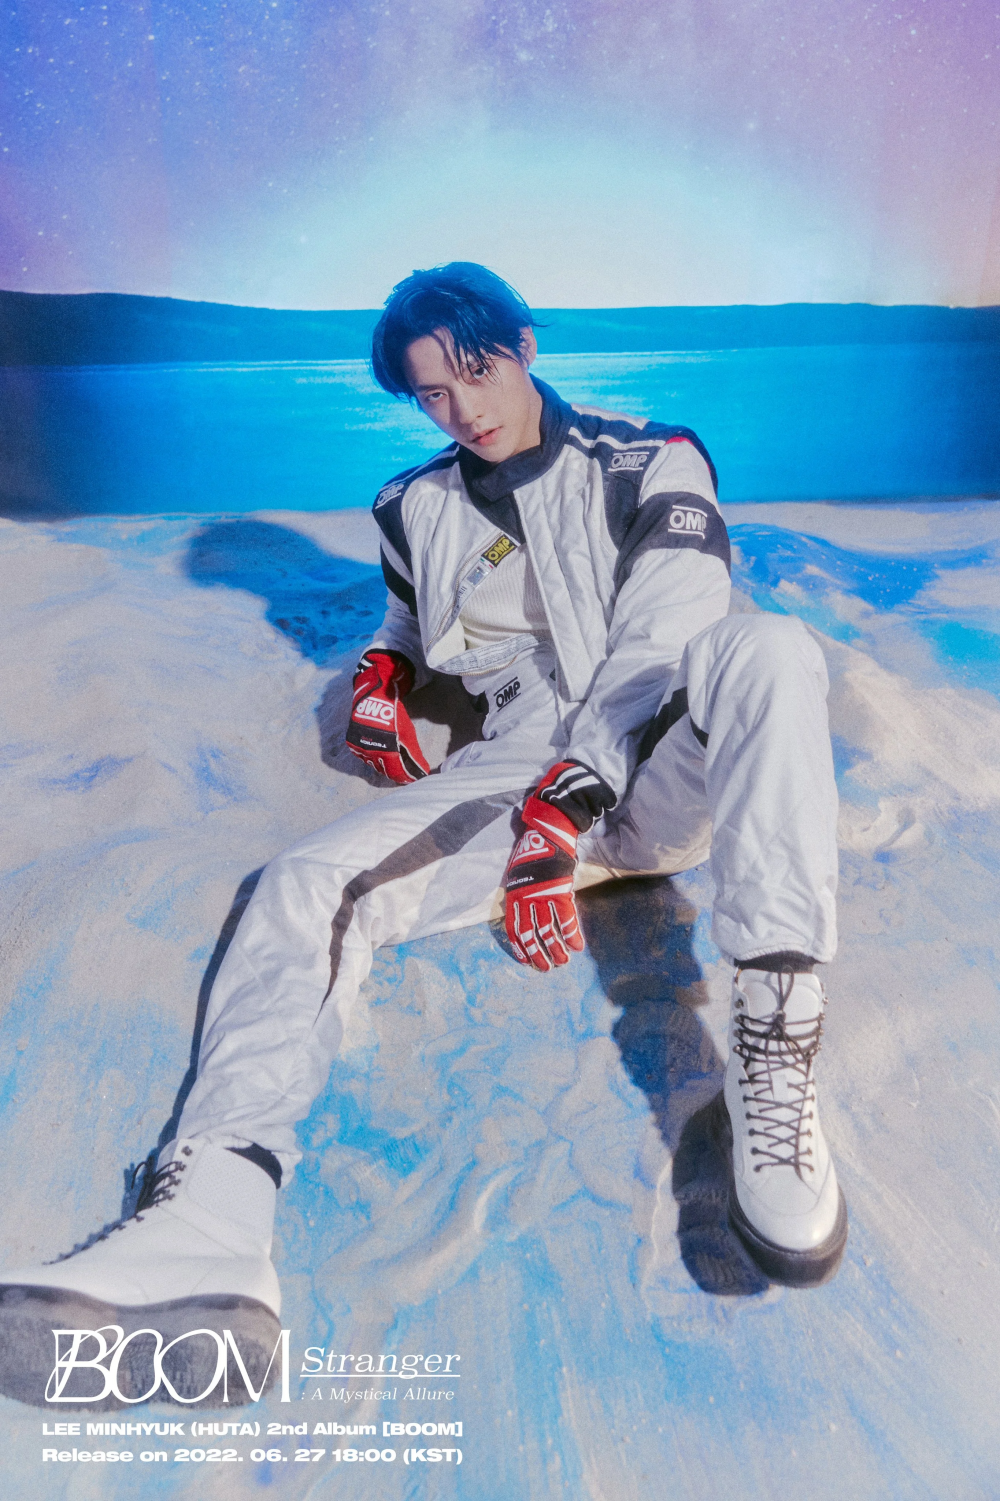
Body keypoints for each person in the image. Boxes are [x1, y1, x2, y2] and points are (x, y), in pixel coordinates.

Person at [0, 263, 846, 1394]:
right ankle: (212, 1217)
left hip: (667, 761)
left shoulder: (650, 459)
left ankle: (774, 1058)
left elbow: (664, 638)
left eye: (476, 371)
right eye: (432, 393)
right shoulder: (412, 507)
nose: (463, 408)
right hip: (517, 776)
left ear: (523, 345)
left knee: (769, 651)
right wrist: (382, 675)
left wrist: (570, 801)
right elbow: (410, 618)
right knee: (304, 885)